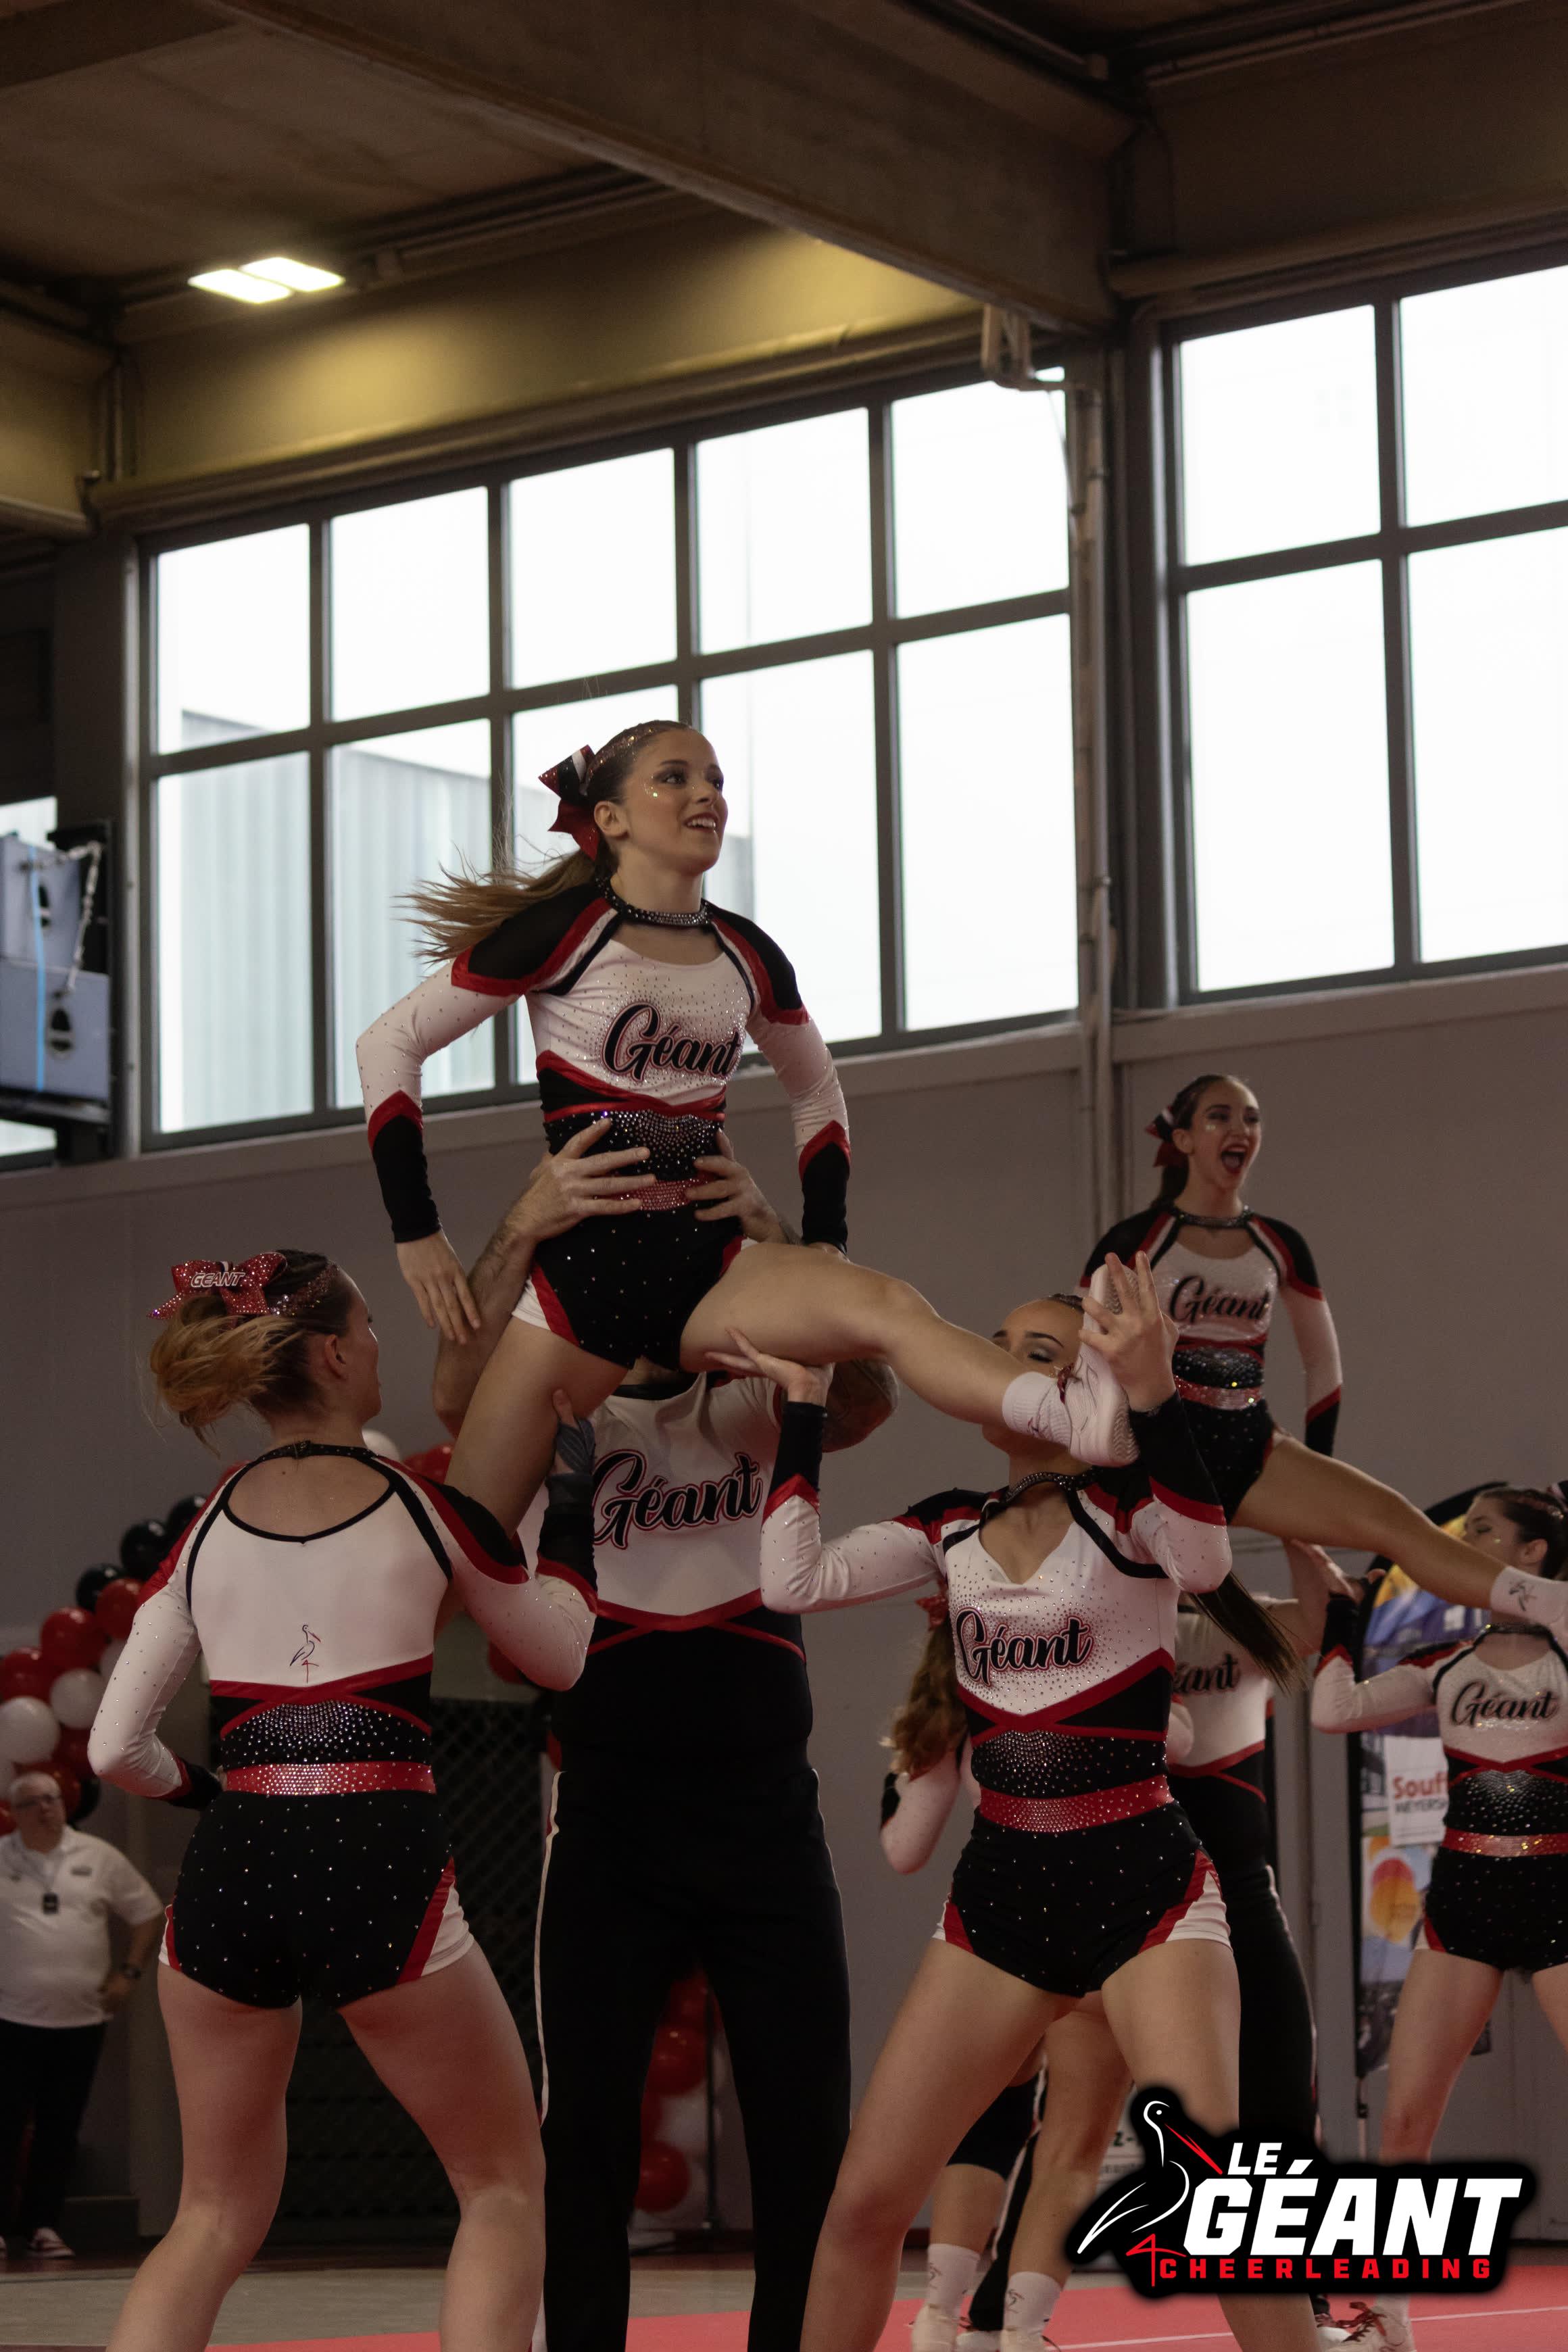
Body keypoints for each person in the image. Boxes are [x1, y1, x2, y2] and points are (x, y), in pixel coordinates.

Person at [734, 1258, 1323, 2352]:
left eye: (1039, 1352)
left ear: (1089, 1388)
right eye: (998, 1345)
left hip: (1147, 1886)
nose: (1003, 1364)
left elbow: (1204, 1561)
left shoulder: (1133, 1514)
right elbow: (790, 1583)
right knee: (864, 2204)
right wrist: (804, 1415)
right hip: (1001, 1894)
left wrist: (1154, 1392)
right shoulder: (948, 1529)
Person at [356, 720, 1136, 1537]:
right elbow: (389, 1043)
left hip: (710, 1261)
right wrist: (418, 1232)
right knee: (470, 1545)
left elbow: (818, 1090)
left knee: (888, 1304)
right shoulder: (564, 931)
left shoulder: (746, 951)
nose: (706, 794)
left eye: (716, 779)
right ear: (611, 818)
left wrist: (825, 1243)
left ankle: (1071, 1419)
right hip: (587, 1278)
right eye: (674, 777)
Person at [432, 1133, 896, 2352]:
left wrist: (781, 1236)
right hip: (609, 1818)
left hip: (766, 1815)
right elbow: (453, 1399)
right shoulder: (553, 1406)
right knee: (584, 2130)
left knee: (805, 2129)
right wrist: (524, 1222)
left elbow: (865, 1397)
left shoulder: (748, 1388)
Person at [87, 1248, 597, 2352]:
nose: (377, 1347)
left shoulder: (205, 1528)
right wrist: (570, 1512)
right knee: (502, 2183)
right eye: (367, 1329)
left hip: (234, 1864)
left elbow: (114, 1747)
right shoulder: (427, 1511)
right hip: (375, 1858)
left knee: (212, 2215)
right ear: (328, 1354)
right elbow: (559, 1656)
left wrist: (212, 1793)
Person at [1084, 1074, 1568, 1636]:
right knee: (1134, 1601)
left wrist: (1317, 1465)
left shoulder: (1278, 1243)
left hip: (1247, 1443)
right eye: (1220, 1116)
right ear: (1185, 1139)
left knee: (1397, 1521)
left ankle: (1553, 1603)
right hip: (1158, 1448)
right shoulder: (1137, 1238)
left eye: (1251, 1118)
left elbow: (1322, 1364)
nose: (1240, 1128)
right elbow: (1084, 1349)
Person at [1310, 1485, 1568, 2352]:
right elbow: (1333, 1711)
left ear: (1533, 1555)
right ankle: (1388, 2316)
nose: (1462, 1541)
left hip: (1560, 1895)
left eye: (1483, 1531)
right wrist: (1341, 1623)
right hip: (1463, 1901)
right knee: (1404, 2120)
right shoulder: (1446, 1663)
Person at [877, 1661, 1142, 2352]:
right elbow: (1184, 1736)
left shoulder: (967, 1710)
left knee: (987, 2122)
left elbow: (903, 1849)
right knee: (1074, 2145)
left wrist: (903, 1779)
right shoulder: (1106, 1671)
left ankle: (937, 2317)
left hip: (1007, 1918)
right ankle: (1022, 2333)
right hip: (1110, 1905)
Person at [0, 1773, 162, 2261]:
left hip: (81, 2020)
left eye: (52, 1799)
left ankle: (43, 2225)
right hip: (11, 2018)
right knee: (4, 2124)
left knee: (61, 2126)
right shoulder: (2, 1857)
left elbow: (148, 1913)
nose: (46, 1808)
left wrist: (129, 1974)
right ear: (15, 1813)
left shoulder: (97, 1856)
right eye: (33, 1802)